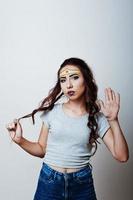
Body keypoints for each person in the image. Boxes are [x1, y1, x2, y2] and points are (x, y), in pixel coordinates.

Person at [6, 57, 129, 200]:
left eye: (74, 77)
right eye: (63, 80)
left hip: (82, 184)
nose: (68, 85)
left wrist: (113, 120)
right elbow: (41, 149)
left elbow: (122, 156)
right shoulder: (52, 112)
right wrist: (20, 140)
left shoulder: (97, 117)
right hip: (49, 182)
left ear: (86, 79)